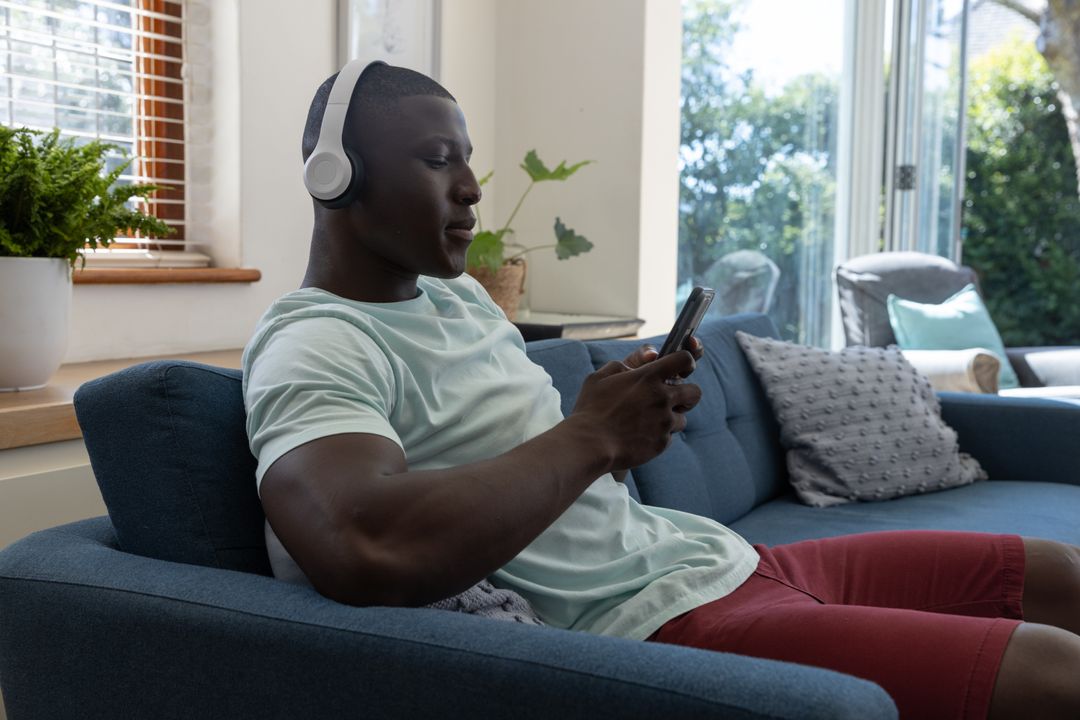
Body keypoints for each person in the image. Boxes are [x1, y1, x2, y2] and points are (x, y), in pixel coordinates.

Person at [242, 61, 1080, 719]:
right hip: (655, 625)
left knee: (1057, 573)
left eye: (467, 160)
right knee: (1052, 673)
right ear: (334, 178)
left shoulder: (458, 295)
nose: (469, 187)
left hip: (721, 560)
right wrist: (592, 439)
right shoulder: (318, 341)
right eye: (438, 160)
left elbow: (518, 457)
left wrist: (607, 418)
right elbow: (362, 546)